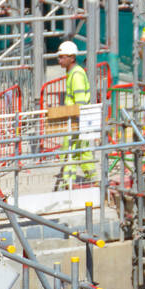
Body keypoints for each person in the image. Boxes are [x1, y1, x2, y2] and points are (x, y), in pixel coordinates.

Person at [56, 39, 95, 185]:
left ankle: (68, 183)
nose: (59, 60)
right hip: (77, 120)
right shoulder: (73, 73)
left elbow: (80, 102)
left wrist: (77, 121)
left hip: (77, 120)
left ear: (72, 58)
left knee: (71, 153)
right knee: (83, 152)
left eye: (62, 57)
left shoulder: (77, 75)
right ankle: (93, 179)